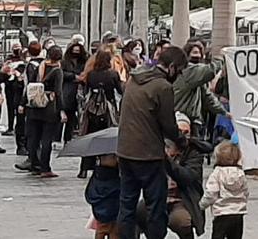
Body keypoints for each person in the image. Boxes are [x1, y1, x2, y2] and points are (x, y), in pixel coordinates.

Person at [116, 46, 188, 239]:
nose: (178, 75)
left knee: (127, 204)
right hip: (148, 154)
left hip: (124, 150)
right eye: (179, 71)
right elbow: (169, 125)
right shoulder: (163, 87)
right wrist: (182, 141)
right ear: (171, 67)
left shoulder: (134, 78)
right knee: (156, 207)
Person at [137, 113, 210, 239]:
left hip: (182, 199)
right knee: (137, 213)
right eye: (180, 131)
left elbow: (187, 177)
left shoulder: (193, 151)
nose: (183, 135)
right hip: (158, 197)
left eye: (186, 132)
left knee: (180, 221)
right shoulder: (158, 147)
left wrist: (168, 162)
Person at [75, 48, 123, 178]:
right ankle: (104, 166)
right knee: (107, 139)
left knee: (90, 138)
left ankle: (83, 169)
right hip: (107, 109)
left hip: (92, 109)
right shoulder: (113, 74)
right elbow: (120, 91)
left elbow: (86, 90)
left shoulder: (91, 74)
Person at [25, 46, 66, 178]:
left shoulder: (40, 66)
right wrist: (62, 110)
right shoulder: (57, 71)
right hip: (49, 107)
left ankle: (34, 165)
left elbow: (29, 85)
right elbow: (58, 92)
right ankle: (45, 167)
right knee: (47, 138)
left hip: (35, 105)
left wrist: (22, 103)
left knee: (34, 138)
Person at [173, 43, 225, 137]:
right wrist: (221, 58)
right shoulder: (189, 71)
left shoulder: (198, 78)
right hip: (184, 120)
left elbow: (207, 96)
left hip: (195, 121)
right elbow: (210, 70)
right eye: (194, 52)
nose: (198, 56)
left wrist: (223, 111)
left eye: (199, 53)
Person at [201, 141, 248, 239]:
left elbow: (211, 193)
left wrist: (202, 205)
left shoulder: (216, 173)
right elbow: (246, 192)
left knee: (218, 236)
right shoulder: (240, 174)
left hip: (221, 214)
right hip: (238, 214)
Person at [87, 154, 121, 239]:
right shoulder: (113, 177)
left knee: (105, 230)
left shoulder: (97, 175)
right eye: (113, 157)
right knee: (109, 231)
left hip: (101, 211)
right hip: (109, 211)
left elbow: (89, 192)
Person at [61, 41, 88, 143]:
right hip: (68, 90)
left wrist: (82, 77)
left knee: (73, 118)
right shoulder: (65, 62)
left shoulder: (83, 62)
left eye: (78, 51)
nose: (76, 53)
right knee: (67, 115)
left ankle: (69, 138)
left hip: (80, 90)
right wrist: (73, 76)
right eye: (74, 51)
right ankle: (62, 137)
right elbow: (62, 73)